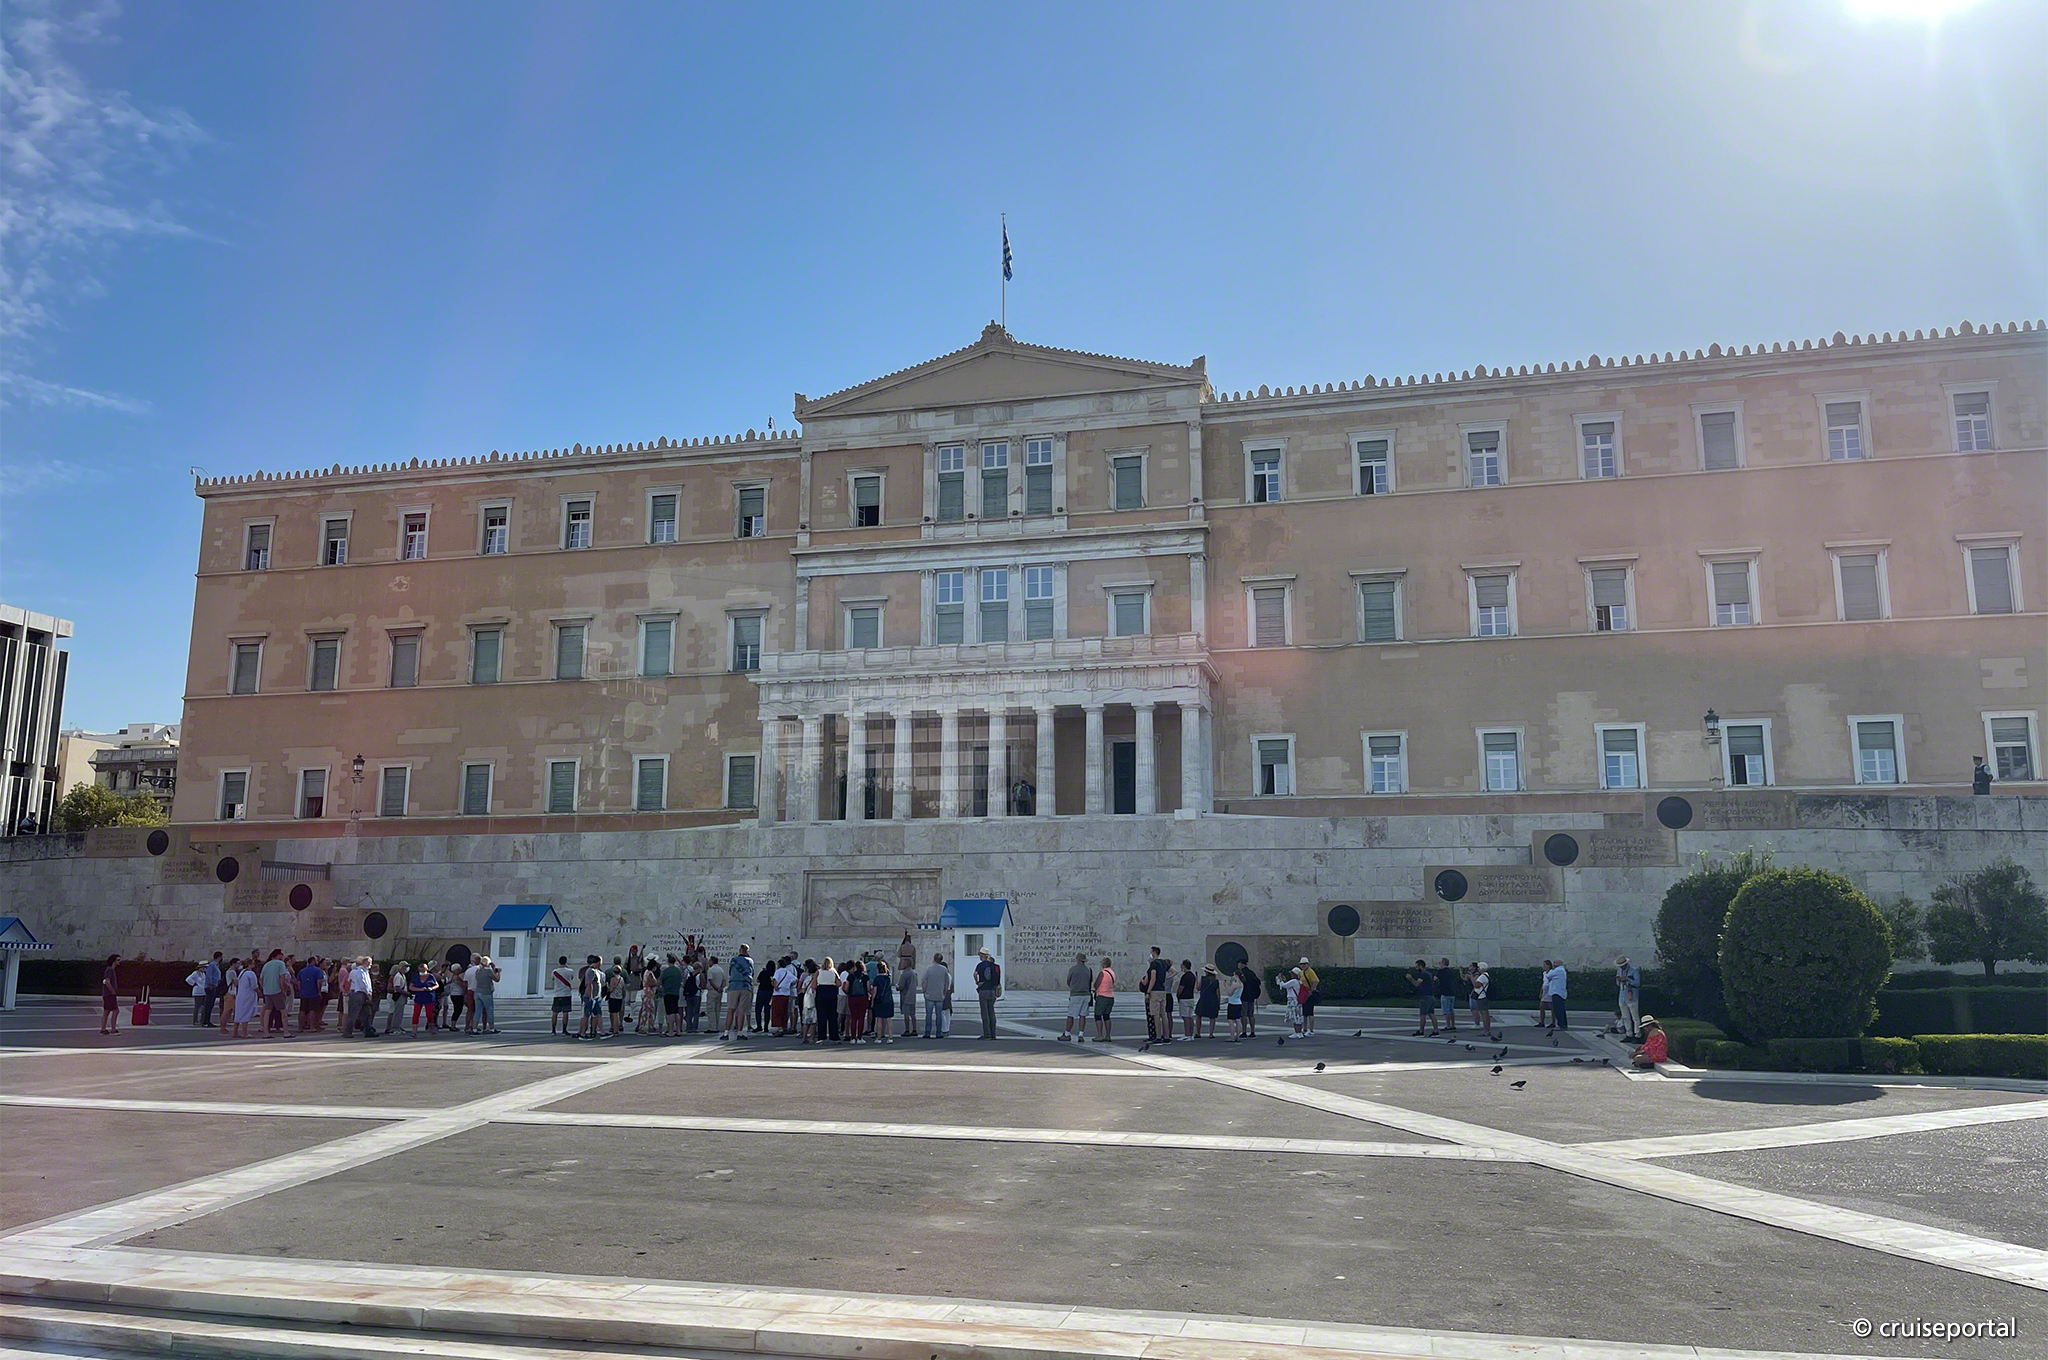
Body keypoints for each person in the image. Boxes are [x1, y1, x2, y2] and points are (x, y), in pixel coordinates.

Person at [1060, 952, 1092, 1042]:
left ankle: (1067, 1034)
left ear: (1078, 960)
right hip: (1086, 995)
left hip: (1075, 994)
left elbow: (1068, 981)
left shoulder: (1073, 969)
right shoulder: (1088, 970)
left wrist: (1073, 987)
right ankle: (1081, 1035)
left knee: (1071, 1015)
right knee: (1083, 1015)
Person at [723, 946, 754, 1038]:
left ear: (740, 950)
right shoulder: (750, 961)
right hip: (745, 986)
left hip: (734, 986)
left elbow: (730, 972)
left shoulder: (734, 960)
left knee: (731, 1010)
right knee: (741, 1011)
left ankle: (726, 1033)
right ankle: (740, 1033)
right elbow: (752, 973)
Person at [1140, 947, 1169, 1044]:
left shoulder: (1154, 964)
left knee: (1156, 1014)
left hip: (1155, 991)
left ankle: (1158, 1036)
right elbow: (1174, 971)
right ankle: (1166, 1036)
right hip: (1162, 991)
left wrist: (1148, 992)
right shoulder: (1164, 963)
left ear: (1153, 953)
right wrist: (1165, 980)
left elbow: (1153, 979)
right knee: (1163, 1014)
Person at [260, 949, 291, 1037]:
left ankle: (266, 1032)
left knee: (267, 1011)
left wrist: (264, 987)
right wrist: (283, 988)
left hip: (267, 991)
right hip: (277, 990)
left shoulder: (266, 965)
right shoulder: (280, 964)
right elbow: (282, 977)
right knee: (283, 1011)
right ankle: (286, 1032)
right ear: (278, 955)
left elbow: (261, 979)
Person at [973, 948, 1001, 1040]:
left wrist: (977, 982)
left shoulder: (980, 965)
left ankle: (987, 1033)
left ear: (982, 956)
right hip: (992, 990)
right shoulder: (993, 965)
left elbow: (975, 974)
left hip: (983, 990)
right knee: (991, 1012)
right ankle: (993, 1033)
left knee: (984, 1012)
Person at [1407, 958, 1439, 1036]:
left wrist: (1410, 978)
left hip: (1425, 996)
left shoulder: (1423, 974)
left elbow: (1416, 984)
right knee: (1431, 1014)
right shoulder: (1428, 973)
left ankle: (1421, 1031)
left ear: (1420, 966)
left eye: (1417, 966)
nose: (1416, 968)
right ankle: (1436, 1030)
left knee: (1423, 1014)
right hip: (1431, 996)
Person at [922, 954, 950, 1040]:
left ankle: (927, 1032)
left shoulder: (929, 968)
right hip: (939, 995)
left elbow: (924, 980)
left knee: (928, 1015)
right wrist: (944, 992)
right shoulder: (944, 969)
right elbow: (946, 983)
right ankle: (938, 1032)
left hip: (930, 994)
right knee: (939, 1015)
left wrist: (924, 991)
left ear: (934, 959)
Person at [579, 955, 606, 1040]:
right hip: (590, 997)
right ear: (598, 962)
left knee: (598, 1014)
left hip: (596, 996)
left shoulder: (596, 971)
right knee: (587, 1015)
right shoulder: (590, 971)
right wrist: (590, 996)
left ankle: (602, 1032)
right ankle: (582, 1033)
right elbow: (589, 984)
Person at [233, 956, 261, 1039]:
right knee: (246, 1013)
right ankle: (244, 1033)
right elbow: (254, 986)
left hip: (240, 995)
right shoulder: (251, 973)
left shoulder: (242, 972)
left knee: (238, 1013)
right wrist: (259, 992)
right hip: (248, 996)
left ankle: (235, 1032)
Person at [1614, 955, 1642, 1040]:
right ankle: (1628, 1033)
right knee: (1625, 1016)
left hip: (1631, 996)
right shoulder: (1619, 971)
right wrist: (1618, 980)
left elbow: (1637, 983)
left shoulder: (1634, 970)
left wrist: (1627, 980)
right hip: (1622, 996)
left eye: (1622, 965)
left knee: (1635, 1016)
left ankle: (1637, 1034)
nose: (1621, 967)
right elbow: (1618, 984)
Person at [296, 956, 325, 1034]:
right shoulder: (317, 970)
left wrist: (300, 990)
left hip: (303, 993)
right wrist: (319, 991)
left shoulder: (302, 971)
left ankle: (300, 1027)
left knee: (302, 1010)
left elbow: (298, 982)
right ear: (313, 961)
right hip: (313, 993)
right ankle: (312, 1027)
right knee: (312, 1010)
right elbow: (319, 981)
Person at [815, 957, 842, 1043]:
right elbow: (839, 983)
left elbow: (813, 985)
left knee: (821, 1016)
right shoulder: (833, 972)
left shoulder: (818, 972)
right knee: (832, 1016)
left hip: (821, 992)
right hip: (831, 993)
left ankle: (821, 1037)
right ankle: (834, 1036)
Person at [411, 960, 441, 1034]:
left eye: (424, 970)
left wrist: (431, 988)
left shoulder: (431, 976)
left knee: (429, 1014)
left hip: (429, 997)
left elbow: (436, 985)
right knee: (416, 1014)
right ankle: (414, 1031)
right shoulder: (416, 977)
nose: (422, 972)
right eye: (421, 971)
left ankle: (431, 1027)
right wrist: (420, 989)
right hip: (419, 997)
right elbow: (411, 987)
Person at [844, 955, 870, 1041]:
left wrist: (848, 993)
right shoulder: (865, 977)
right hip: (863, 998)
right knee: (861, 1018)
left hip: (852, 998)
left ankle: (853, 1037)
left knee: (853, 1018)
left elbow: (846, 988)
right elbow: (868, 988)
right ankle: (859, 1037)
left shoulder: (850, 976)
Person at [472, 955, 499, 1033]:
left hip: (477, 992)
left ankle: (474, 1028)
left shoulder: (478, 971)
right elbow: (497, 979)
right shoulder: (488, 971)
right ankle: (491, 1028)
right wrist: (498, 972)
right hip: (486, 993)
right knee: (489, 1010)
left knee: (478, 1011)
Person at [549, 956, 575, 1036]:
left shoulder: (554, 972)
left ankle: (553, 1030)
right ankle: (564, 1030)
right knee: (565, 1013)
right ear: (566, 962)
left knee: (555, 1013)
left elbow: (552, 979)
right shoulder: (570, 971)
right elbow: (572, 978)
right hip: (566, 994)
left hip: (557, 994)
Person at [1235, 960, 1262, 1039]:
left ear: (1241, 964)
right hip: (1251, 996)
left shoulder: (1241, 973)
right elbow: (1258, 982)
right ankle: (1252, 1032)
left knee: (1243, 1014)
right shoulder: (1251, 973)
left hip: (1243, 996)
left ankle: (1244, 1032)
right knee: (1251, 1014)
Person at [869, 960, 894, 1043]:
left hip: (879, 1000)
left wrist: (872, 1001)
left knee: (879, 1019)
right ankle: (890, 1037)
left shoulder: (877, 979)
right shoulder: (888, 978)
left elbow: (875, 991)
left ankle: (879, 1037)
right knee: (889, 1019)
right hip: (888, 1000)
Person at [1092, 956, 1116, 1042]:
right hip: (1110, 996)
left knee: (1098, 1015)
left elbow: (1096, 984)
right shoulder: (1112, 972)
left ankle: (1100, 1035)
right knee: (1106, 1016)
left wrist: (1095, 988)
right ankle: (1108, 1035)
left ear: (1104, 964)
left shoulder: (1103, 973)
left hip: (1102, 996)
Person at [1434, 957, 1461, 1034]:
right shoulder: (1451, 971)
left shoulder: (1441, 971)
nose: (1439, 964)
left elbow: (1435, 978)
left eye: (1440, 962)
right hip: (1451, 992)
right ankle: (1453, 1025)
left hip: (1445, 992)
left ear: (1443, 963)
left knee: (1446, 1010)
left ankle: (1448, 1025)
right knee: (1451, 1010)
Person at [1195, 965, 1221, 1038]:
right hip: (1213, 1000)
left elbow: (1198, 988)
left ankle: (1198, 1032)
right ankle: (1211, 1033)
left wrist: (1196, 980)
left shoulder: (1203, 979)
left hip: (1204, 999)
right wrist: (1218, 1003)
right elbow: (1218, 994)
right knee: (1212, 1017)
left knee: (1198, 1015)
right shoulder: (1216, 981)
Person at [1471, 961, 1495, 1040]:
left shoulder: (1482, 976)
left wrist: (1473, 979)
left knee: (1484, 1014)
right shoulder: (1486, 975)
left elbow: (1476, 985)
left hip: (1481, 997)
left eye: (1478, 967)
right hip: (1483, 996)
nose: (1477, 969)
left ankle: (1486, 1030)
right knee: (1485, 1014)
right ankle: (1487, 1030)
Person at [1545, 959, 1570, 1032]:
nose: (1553, 964)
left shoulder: (1558, 970)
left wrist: (1551, 970)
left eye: (1555, 962)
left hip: (1557, 992)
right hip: (1559, 992)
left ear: (1559, 963)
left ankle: (1561, 1025)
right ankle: (1564, 1024)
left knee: (1558, 1010)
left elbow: (1548, 976)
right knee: (1561, 1009)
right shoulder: (1561, 970)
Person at [1298, 957, 1320, 1036]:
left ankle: (1311, 1030)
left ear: (1308, 964)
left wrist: (1311, 990)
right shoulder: (1302, 972)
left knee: (1310, 1012)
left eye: (1304, 964)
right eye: (1301, 964)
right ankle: (1305, 1029)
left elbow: (1316, 981)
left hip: (1309, 994)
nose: (1303, 965)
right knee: (1304, 1013)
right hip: (1304, 994)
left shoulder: (1310, 971)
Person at [100, 954, 122, 1035]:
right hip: (109, 994)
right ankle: (113, 1029)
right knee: (115, 1010)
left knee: (107, 1011)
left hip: (107, 994)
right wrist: (112, 991)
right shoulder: (110, 970)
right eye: (118, 960)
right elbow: (107, 981)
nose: (119, 962)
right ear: (113, 961)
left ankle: (103, 1029)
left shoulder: (111, 970)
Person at [202, 951, 225, 1028]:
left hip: (214, 986)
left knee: (210, 1004)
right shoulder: (212, 965)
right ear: (219, 957)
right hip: (210, 987)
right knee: (208, 1004)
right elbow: (209, 975)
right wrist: (210, 984)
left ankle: (207, 1020)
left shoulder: (216, 965)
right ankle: (205, 1021)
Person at [705, 955, 727, 1036]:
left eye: (709, 961)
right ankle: (716, 1026)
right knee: (717, 1009)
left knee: (711, 1009)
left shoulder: (711, 970)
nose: (708, 962)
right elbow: (724, 980)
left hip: (713, 991)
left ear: (712, 961)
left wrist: (716, 988)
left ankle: (712, 1027)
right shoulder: (721, 970)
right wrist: (721, 988)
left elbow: (710, 981)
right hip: (719, 992)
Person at [1279, 967, 1305, 1036]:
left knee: (1294, 1016)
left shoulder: (1293, 981)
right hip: (1297, 1000)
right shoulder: (1299, 982)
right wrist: (1284, 980)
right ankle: (1299, 1032)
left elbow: (1284, 985)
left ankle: (1297, 1032)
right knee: (1298, 1016)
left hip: (1293, 1000)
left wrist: (1281, 980)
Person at [682, 957, 703, 1035]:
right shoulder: (699, 975)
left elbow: (685, 983)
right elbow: (702, 985)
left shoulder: (689, 974)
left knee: (689, 1011)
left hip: (689, 994)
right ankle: (695, 1027)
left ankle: (689, 1027)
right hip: (697, 994)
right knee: (696, 1012)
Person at [186, 962, 210, 1026]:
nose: (205, 969)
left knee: (204, 1007)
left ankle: (202, 1020)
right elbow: (188, 979)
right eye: (204, 967)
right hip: (197, 992)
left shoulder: (203, 974)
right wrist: (194, 983)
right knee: (197, 1007)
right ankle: (195, 1020)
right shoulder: (195, 973)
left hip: (203, 992)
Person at [1536, 959, 1555, 1029]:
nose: (1544, 966)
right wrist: (1541, 992)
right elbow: (1543, 983)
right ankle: (1542, 1022)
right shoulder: (1544, 973)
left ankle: (1553, 1022)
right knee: (1541, 1006)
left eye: (1545, 965)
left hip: (1550, 991)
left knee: (1552, 1007)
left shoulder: (1552, 972)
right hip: (1545, 991)